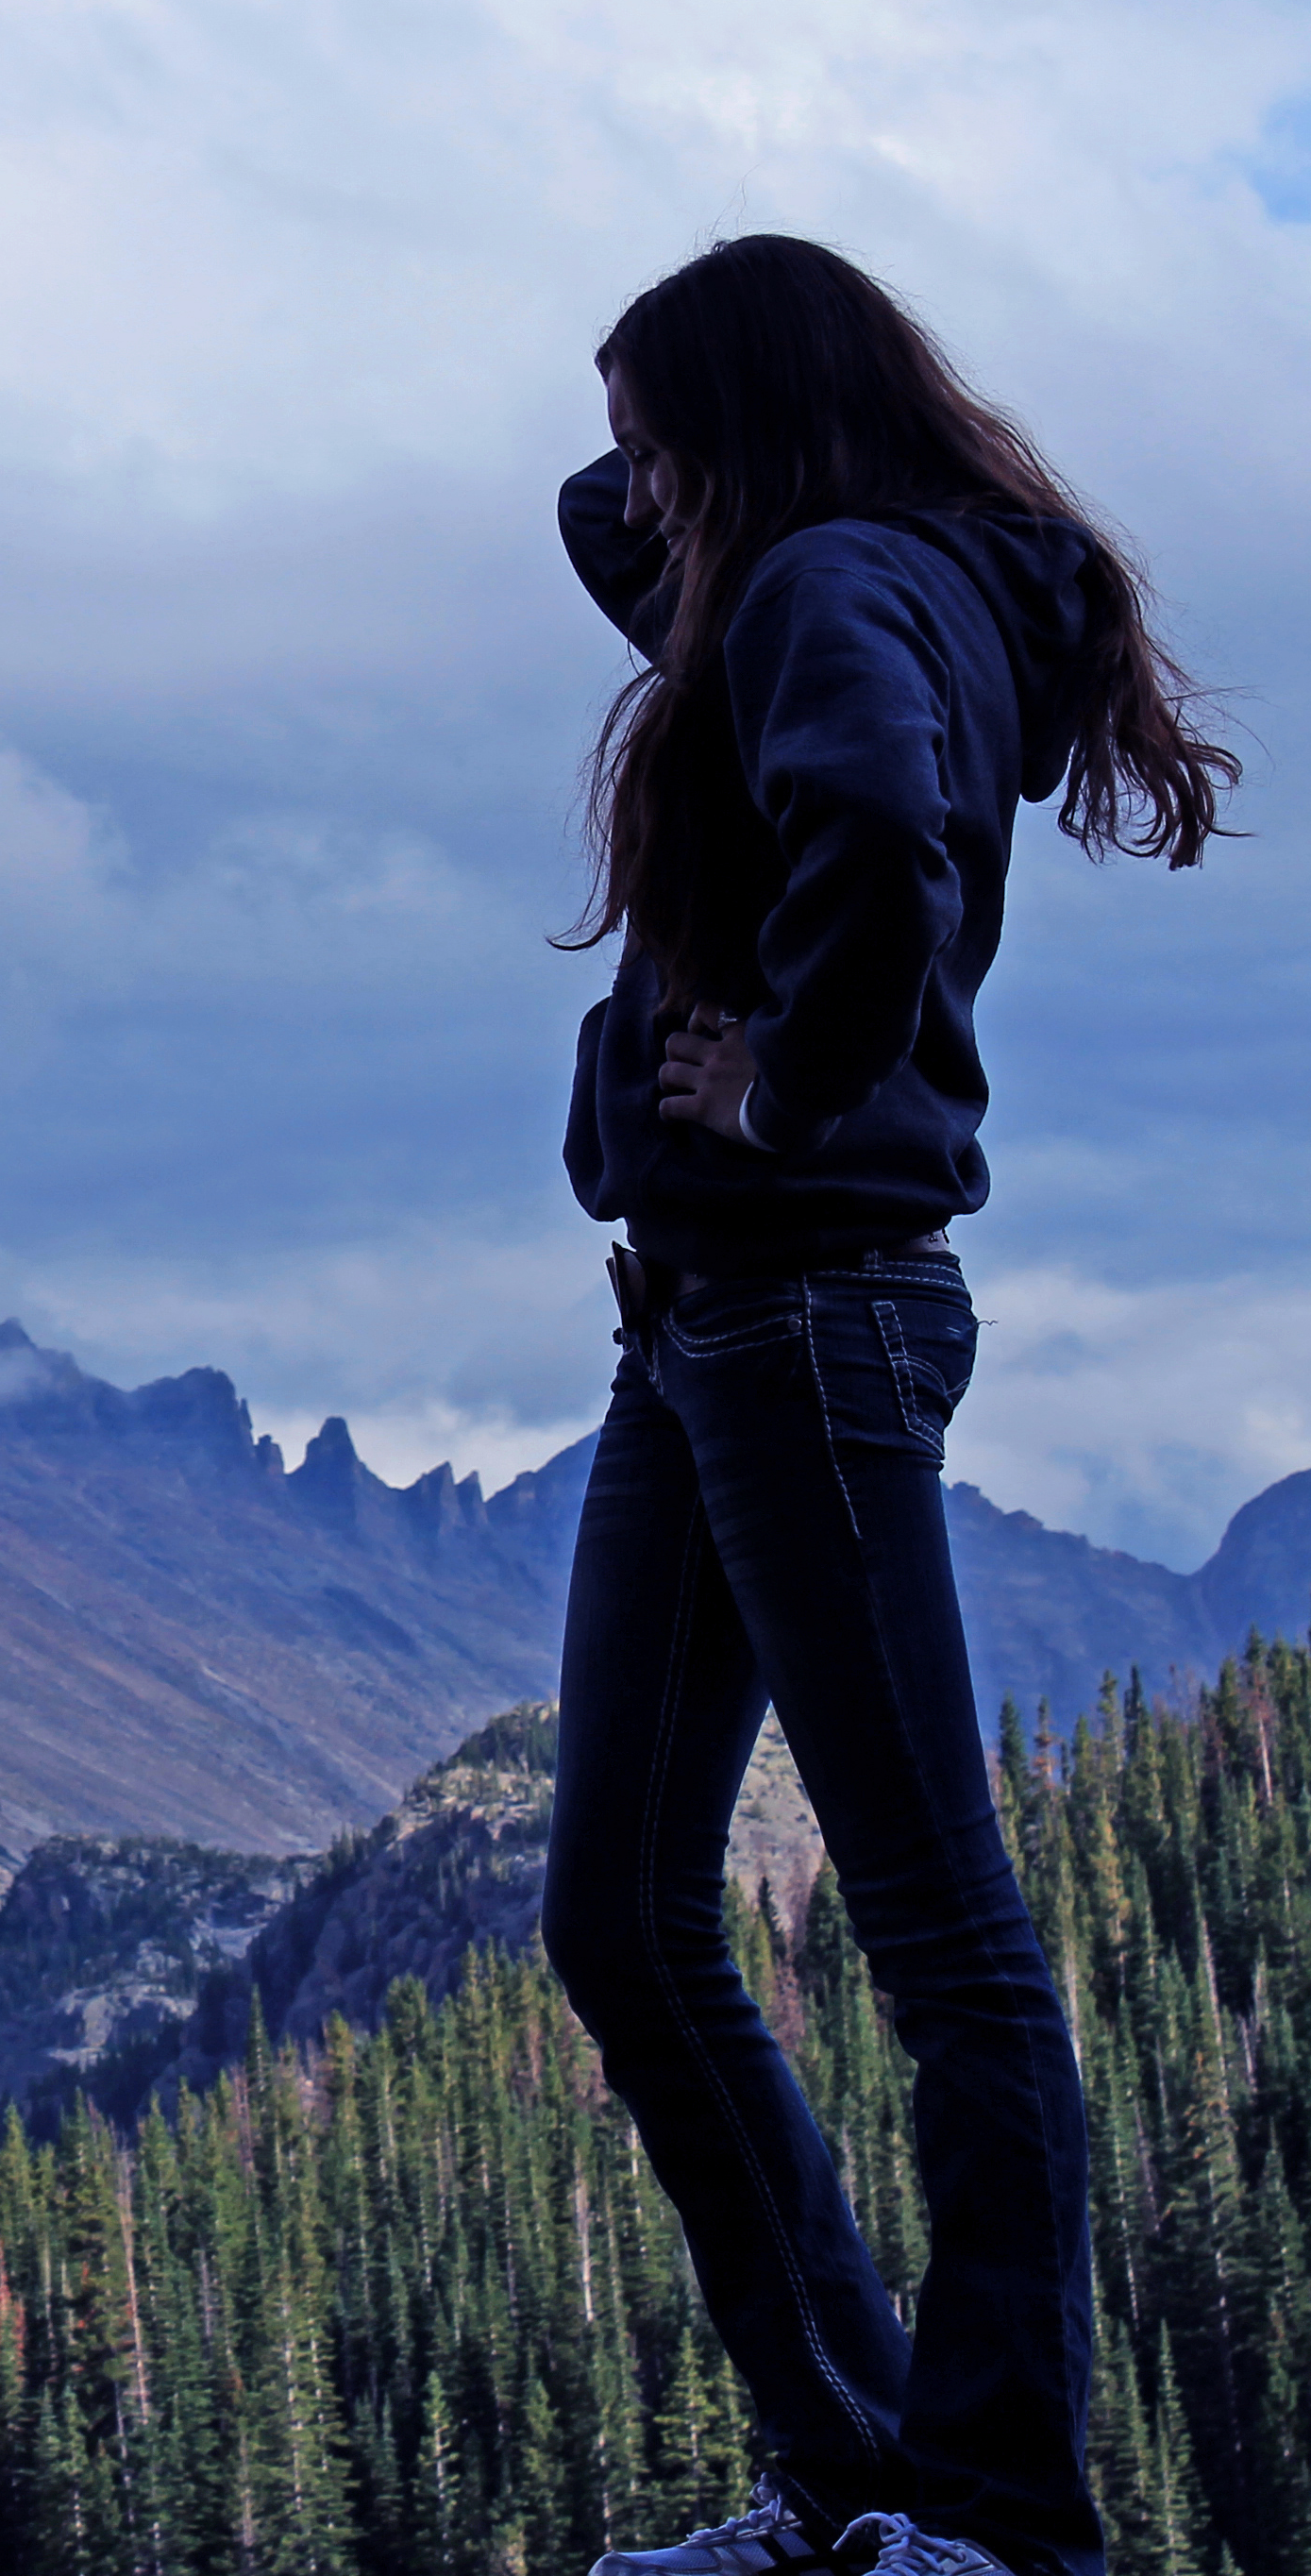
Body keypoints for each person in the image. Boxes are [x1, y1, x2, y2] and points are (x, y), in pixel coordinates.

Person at [538, 235, 1234, 2576]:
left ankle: (1001, 2517)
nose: (621, 478)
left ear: (738, 426)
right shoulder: (827, 570)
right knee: (619, 1914)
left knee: (941, 1937)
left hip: (802, 1295)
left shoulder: (830, 586)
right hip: (709, 1320)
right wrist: (682, 454)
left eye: (652, 431)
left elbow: (884, 847)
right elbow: (610, 544)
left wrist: (779, 1090)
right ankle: (855, 2484)